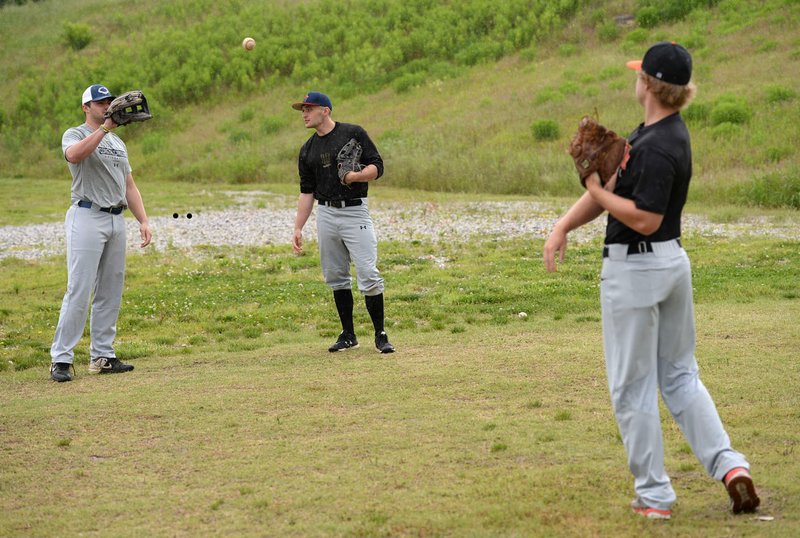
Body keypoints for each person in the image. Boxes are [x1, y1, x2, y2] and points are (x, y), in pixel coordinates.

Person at [543, 43, 760, 519]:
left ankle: (655, 496)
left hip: (636, 267)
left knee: (632, 386)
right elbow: (613, 196)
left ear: (649, 84)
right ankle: (730, 467)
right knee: (680, 376)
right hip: (669, 264)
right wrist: (564, 224)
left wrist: (597, 188)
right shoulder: (655, 134)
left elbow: (643, 218)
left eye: (640, 73)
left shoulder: (660, 146)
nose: (635, 78)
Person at [49, 84, 152, 382]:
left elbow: (129, 185)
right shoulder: (76, 133)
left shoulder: (118, 144)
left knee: (110, 290)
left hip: (115, 218)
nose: (105, 105)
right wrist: (104, 129)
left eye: (108, 100)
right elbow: (74, 156)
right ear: (86, 107)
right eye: (99, 102)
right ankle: (62, 359)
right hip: (86, 215)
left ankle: (103, 356)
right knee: (79, 289)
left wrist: (143, 220)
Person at [291, 91, 395, 354]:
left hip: (355, 211)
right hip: (326, 214)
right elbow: (307, 192)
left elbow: (378, 167)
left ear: (325, 110)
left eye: (308, 108)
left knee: (368, 273)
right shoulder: (308, 150)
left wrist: (355, 176)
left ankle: (380, 334)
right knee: (336, 276)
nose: (304, 113)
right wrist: (298, 227)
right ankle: (348, 334)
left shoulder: (353, 133)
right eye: (302, 109)